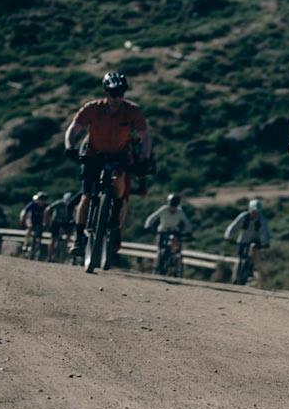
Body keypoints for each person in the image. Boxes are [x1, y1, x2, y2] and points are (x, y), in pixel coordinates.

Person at [64, 70, 152, 258]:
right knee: (87, 196)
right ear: (106, 93)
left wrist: (145, 159)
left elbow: (144, 136)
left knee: (119, 177)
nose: (117, 98)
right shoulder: (92, 108)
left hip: (119, 154)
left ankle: (115, 208)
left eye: (120, 94)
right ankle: (78, 238)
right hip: (93, 153)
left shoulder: (133, 111)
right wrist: (70, 147)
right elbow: (73, 128)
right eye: (113, 94)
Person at [146, 192, 194, 271]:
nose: (172, 208)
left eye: (174, 206)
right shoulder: (164, 209)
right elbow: (152, 217)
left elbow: (187, 223)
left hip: (174, 231)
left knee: (176, 247)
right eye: (171, 206)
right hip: (162, 231)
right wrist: (147, 225)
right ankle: (157, 265)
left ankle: (175, 264)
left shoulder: (180, 212)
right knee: (160, 249)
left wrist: (188, 231)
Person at [224, 197, 269, 271]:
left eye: (257, 212)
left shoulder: (261, 219)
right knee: (240, 257)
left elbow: (265, 231)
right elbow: (234, 226)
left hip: (254, 240)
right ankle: (237, 273)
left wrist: (267, 242)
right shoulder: (244, 216)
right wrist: (228, 235)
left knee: (254, 251)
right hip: (243, 240)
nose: (255, 214)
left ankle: (251, 269)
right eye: (254, 212)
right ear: (250, 210)